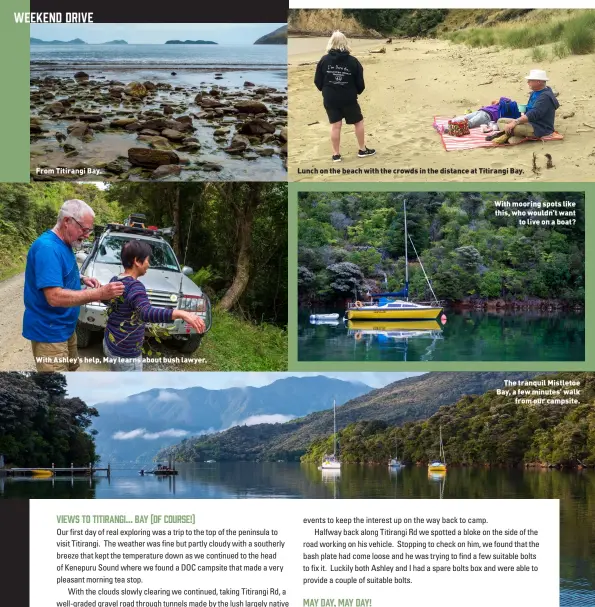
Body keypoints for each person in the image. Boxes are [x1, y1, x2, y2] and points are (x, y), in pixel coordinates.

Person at [23, 199, 125, 372]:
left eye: (89, 230)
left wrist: (81, 278)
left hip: (66, 327)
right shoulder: (48, 248)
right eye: (84, 229)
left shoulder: (65, 243)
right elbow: (54, 297)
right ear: (67, 221)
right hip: (50, 333)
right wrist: (99, 293)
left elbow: (60, 271)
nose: (87, 235)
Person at [103, 239, 206, 371]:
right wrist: (181, 313)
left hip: (110, 344)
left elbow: (109, 303)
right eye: (147, 260)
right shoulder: (135, 287)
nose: (149, 264)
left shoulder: (115, 280)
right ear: (137, 261)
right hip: (126, 355)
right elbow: (146, 313)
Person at [314, 30, 375, 162]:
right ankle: (362, 149)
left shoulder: (324, 60)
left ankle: (336, 154)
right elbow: (360, 83)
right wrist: (355, 92)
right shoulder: (353, 61)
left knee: (336, 125)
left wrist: (325, 90)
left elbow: (317, 81)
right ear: (345, 43)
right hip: (348, 97)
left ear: (331, 43)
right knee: (358, 122)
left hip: (331, 97)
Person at [492, 69, 559, 144]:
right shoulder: (535, 92)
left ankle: (512, 135)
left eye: (530, 80)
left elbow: (534, 113)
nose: (528, 82)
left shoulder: (545, 97)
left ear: (538, 81)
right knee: (500, 121)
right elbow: (530, 109)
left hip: (540, 128)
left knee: (514, 128)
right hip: (529, 122)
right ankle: (516, 136)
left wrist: (515, 122)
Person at [439, 97, 512, 134]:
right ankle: (446, 126)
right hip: (483, 114)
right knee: (467, 120)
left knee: (467, 120)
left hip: (484, 114)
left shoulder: (500, 107)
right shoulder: (498, 107)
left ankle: (447, 127)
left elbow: (505, 99)